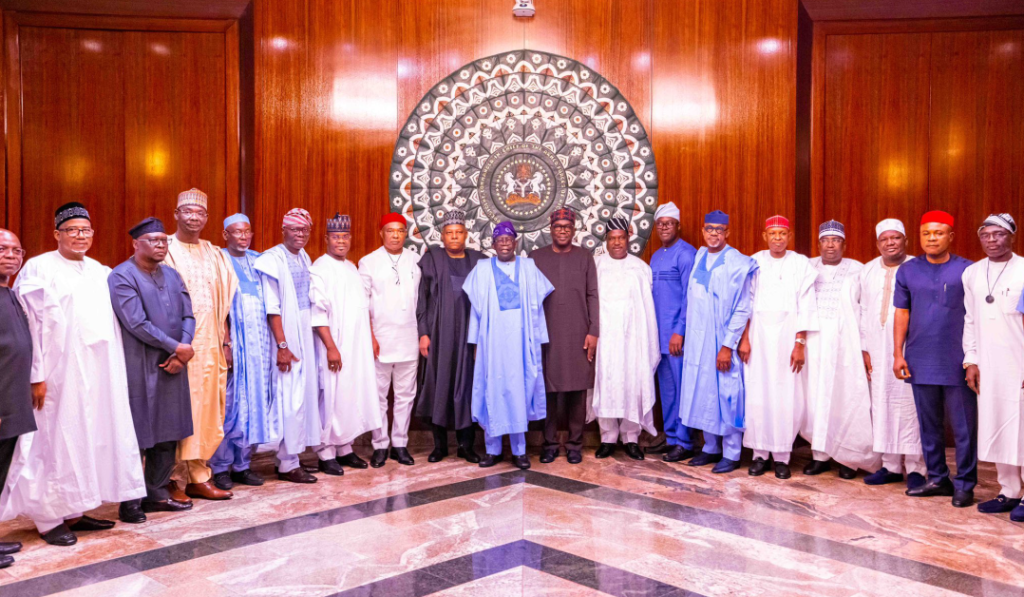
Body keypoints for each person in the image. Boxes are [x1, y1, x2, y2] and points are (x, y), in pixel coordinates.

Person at [1, 203, 146, 547]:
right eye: (72, 230)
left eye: (86, 230)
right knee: (54, 442)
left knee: (87, 439)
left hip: (98, 373)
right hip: (57, 375)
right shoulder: (39, 268)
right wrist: (36, 376)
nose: (80, 236)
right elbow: (29, 329)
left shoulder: (100, 271)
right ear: (57, 234)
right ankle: (49, 517)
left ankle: (75, 509)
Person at [109, 217, 195, 520]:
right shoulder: (122, 276)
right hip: (139, 364)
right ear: (136, 244)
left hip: (174, 365)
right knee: (138, 433)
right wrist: (176, 347)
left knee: (169, 430)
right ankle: (130, 501)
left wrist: (182, 350)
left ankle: (157, 494)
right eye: (153, 240)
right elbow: (135, 322)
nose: (161, 245)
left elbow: (188, 315)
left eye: (164, 240)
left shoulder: (172, 274)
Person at [894, 210, 976, 508]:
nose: (931, 238)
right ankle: (938, 478)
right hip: (920, 358)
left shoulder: (968, 270)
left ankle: (965, 484)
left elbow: (976, 316)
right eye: (926, 233)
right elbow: (902, 313)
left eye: (938, 233)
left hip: (957, 359)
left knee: (964, 427)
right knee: (928, 425)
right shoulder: (908, 270)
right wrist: (898, 353)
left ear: (950, 236)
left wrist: (974, 359)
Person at [164, 189, 237, 501]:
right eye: (188, 211)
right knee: (174, 410)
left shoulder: (215, 253)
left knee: (207, 410)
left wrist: (226, 342)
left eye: (199, 212)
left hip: (209, 345)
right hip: (177, 345)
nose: (193, 217)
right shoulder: (164, 248)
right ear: (176, 214)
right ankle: (169, 478)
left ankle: (198, 476)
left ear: (206, 218)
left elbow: (223, 305)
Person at [465, 221, 553, 469]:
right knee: (492, 389)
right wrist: (475, 342)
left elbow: (538, 306)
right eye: (499, 240)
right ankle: (492, 450)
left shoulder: (528, 267)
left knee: (519, 391)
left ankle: (519, 451)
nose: (504, 244)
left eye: (508, 240)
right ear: (493, 245)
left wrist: (538, 338)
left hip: (520, 342)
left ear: (515, 243)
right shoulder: (482, 269)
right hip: (491, 342)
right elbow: (476, 310)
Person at [739, 215, 817, 480]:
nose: (777, 238)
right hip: (758, 338)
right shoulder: (755, 262)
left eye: (782, 234)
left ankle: (782, 456)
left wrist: (799, 343)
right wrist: (745, 338)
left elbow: (806, 305)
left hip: (787, 338)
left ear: (789, 236)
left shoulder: (800, 263)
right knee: (758, 393)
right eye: (772, 234)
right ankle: (760, 455)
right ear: (765, 236)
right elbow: (747, 303)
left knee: (785, 395)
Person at [679, 211, 757, 474]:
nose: (714, 233)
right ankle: (710, 448)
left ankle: (732, 453)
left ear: (727, 233)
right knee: (703, 392)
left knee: (727, 394)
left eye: (719, 229)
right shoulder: (700, 255)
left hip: (722, 340)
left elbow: (743, 308)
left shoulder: (738, 262)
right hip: (697, 340)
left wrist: (727, 346)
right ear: (703, 231)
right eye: (709, 229)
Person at [802, 220, 879, 479]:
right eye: (826, 240)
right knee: (815, 399)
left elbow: (866, 310)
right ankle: (820, 456)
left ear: (844, 245)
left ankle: (850, 458)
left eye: (836, 240)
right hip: (813, 345)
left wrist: (865, 347)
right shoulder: (807, 267)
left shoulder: (858, 270)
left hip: (846, 345)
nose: (830, 245)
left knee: (847, 397)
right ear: (819, 244)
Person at [963, 214, 1024, 521]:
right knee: (999, 423)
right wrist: (971, 359)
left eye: (999, 234)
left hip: (1019, 363)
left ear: (1012, 236)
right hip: (989, 365)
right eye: (986, 235)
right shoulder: (972, 273)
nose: (991, 240)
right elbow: (970, 319)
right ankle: (1009, 491)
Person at [310, 214, 381, 475]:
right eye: (335, 237)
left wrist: (370, 338)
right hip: (335, 345)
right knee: (331, 397)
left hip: (356, 346)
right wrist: (331, 347)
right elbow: (318, 313)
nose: (341, 241)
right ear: (326, 239)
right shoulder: (320, 268)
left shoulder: (351, 267)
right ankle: (325, 453)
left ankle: (344, 448)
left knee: (349, 395)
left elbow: (363, 308)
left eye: (345, 236)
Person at [254, 209, 321, 484]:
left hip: (304, 331)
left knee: (302, 395)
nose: (300, 234)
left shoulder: (304, 256)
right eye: (295, 229)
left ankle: (291, 457)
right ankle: (287, 464)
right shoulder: (272, 259)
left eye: (305, 230)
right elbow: (272, 308)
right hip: (285, 335)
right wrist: (282, 345)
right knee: (289, 398)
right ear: (283, 230)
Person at [529, 208, 599, 465]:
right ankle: (549, 444)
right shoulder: (535, 258)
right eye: (558, 226)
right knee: (547, 390)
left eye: (567, 227)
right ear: (551, 229)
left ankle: (574, 445)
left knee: (577, 390)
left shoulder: (584, 257)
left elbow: (593, 295)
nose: (562, 230)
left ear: (573, 230)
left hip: (579, 332)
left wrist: (594, 331)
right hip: (545, 333)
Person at [858, 219, 925, 489]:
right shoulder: (867, 270)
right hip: (876, 347)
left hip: (910, 345)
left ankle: (917, 467)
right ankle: (890, 466)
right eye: (884, 239)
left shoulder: (918, 267)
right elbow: (863, 310)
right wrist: (864, 347)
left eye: (895, 238)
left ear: (905, 240)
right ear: (877, 243)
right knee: (881, 402)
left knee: (911, 405)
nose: (890, 243)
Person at [210, 214, 274, 490]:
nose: (244, 236)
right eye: (237, 232)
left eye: (247, 231)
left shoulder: (259, 261)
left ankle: (242, 465)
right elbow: (217, 307)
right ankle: (220, 467)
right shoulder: (219, 262)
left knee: (254, 403)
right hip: (235, 345)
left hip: (260, 347)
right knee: (231, 406)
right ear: (226, 235)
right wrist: (226, 344)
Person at [588, 217, 660, 461]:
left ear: (628, 239)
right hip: (606, 339)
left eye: (620, 238)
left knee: (632, 383)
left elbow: (647, 307)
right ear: (606, 241)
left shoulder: (640, 268)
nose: (616, 243)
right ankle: (607, 438)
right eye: (612, 239)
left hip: (633, 339)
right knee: (606, 382)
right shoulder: (596, 266)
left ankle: (631, 437)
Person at [416, 209, 484, 463]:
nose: (454, 237)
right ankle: (439, 446)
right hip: (439, 334)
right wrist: (424, 333)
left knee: (468, 386)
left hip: (470, 336)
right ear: (442, 236)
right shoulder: (432, 259)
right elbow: (422, 300)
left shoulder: (479, 261)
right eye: (449, 233)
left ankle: (466, 446)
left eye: (458, 233)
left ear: (466, 235)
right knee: (439, 385)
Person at [358, 213, 422, 468]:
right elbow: (362, 304)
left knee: (406, 395)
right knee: (378, 397)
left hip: (409, 338)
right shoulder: (368, 262)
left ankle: (400, 444)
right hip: (380, 340)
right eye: (390, 230)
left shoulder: (416, 260)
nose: (395, 235)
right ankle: (380, 445)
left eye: (400, 231)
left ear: (405, 234)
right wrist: (370, 336)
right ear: (381, 233)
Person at [649, 202, 697, 462]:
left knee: (682, 390)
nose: (664, 227)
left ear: (678, 226)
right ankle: (670, 438)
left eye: (669, 223)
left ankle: (685, 441)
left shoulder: (686, 254)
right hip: (658, 337)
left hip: (677, 337)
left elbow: (691, 297)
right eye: (660, 224)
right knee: (667, 391)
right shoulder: (657, 256)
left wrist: (680, 331)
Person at [0, 229, 35, 569]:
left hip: (12, 402)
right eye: (2, 249)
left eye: (16, 250)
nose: (11, 256)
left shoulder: (10, 294)